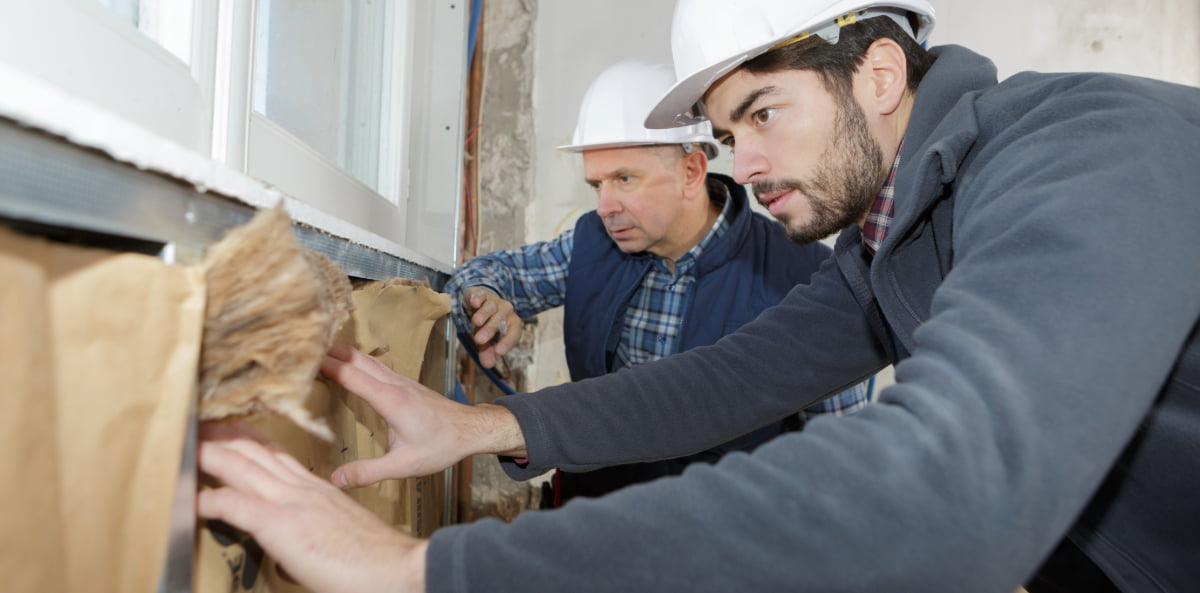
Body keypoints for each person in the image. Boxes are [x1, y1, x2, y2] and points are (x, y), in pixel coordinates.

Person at [197, 0, 1200, 591]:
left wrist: (420, 571)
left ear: (881, 73)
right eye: (730, 132)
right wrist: (481, 424)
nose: (746, 162)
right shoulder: (900, 237)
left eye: (764, 112)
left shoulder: (1087, 149)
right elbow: (725, 381)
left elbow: (948, 481)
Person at [444, 57, 869, 506]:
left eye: (624, 179)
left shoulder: (806, 280)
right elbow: (487, 275)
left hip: (722, 546)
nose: (605, 206)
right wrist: (485, 298)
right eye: (596, 185)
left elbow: (840, 456)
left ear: (691, 172)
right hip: (595, 524)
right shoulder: (591, 244)